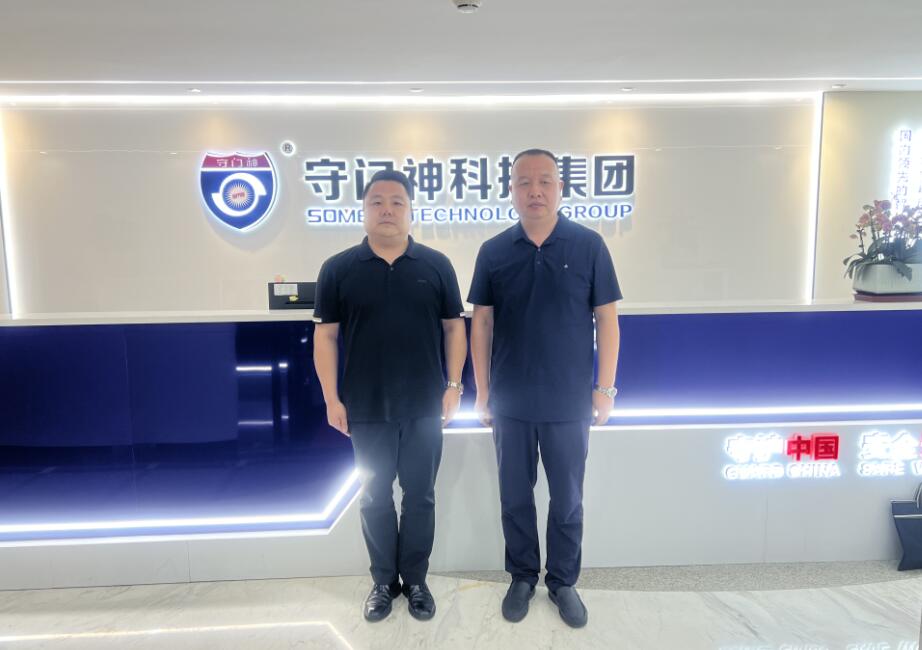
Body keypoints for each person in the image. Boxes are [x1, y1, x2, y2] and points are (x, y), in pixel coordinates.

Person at [468, 149, 622, 628]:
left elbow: (607, 320)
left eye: (545, 181)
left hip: (569, 400)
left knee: (567, 499)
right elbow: (481, 324)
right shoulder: (494, 251)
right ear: (511, 190)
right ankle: (521, 576)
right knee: (515, 496)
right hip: (511, 400)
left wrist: (605, 389)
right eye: (524, 182)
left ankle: (562, 581)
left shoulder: (589, 245)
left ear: (560, 188)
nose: (534, 191)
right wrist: (482, 392)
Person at [313, 169, 467, 622]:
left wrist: (454, 385)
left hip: (424, 406)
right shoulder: (338, 269)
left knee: (420, 496)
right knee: (374, 496)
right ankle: (383, 581)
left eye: (397, 201)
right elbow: (325, 337)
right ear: (363, 210)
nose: (387, 209)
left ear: (410, 210)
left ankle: (415, 580)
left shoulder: (436, 265)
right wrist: (331, 398)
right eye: (376, 201)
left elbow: (454, 328)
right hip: (366, 407)